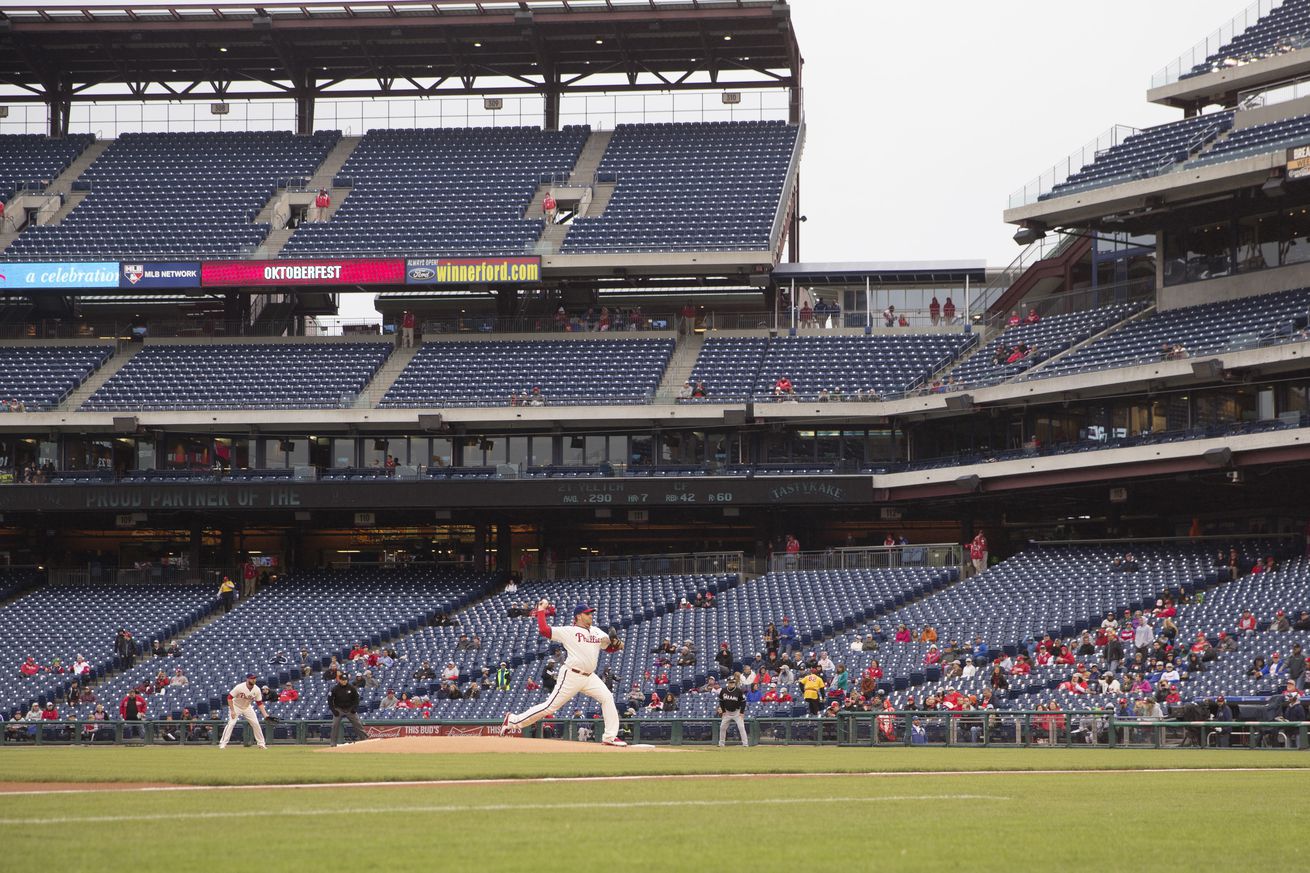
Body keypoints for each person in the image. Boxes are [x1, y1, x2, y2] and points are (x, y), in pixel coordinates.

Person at [501, 600, 626, 746]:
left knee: (607, 697)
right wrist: (541, 610)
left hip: (590, 677)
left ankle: (610, 737)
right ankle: (512, 721)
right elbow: (544, 630)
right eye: (587, 613)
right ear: (579, 616)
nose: (591, 615)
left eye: (591, 613)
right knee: (550, 707)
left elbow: (609, 648)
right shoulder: (569, 631)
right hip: (571, 675)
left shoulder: (598, 631)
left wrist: (617, 645)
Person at [219, 673, 270, 750]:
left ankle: (261, 744)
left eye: (254, 678)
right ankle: (223, 744)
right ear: (248, 679)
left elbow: (259, 703)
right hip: (236, 706)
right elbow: (229, 698)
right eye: (252, 678)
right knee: (231, 723)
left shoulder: (256, 689)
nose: (254, 680)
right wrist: (232, 710)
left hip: (247, 707)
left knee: (256, 723)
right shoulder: (239, 687)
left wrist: (265, 715)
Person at [328, 671, 366, 746]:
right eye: (343, 680)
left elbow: (356, 699)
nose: (344, 681)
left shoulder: (351, 688)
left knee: (358, 724)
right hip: (339, 709)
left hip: (350, 709)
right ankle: (333, 742)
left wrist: (354, 708)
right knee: (335, 725)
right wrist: (333, 710)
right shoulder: (335, 689)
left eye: (345, 680)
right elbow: (329, 700)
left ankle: (364, 739)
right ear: (339, 680)